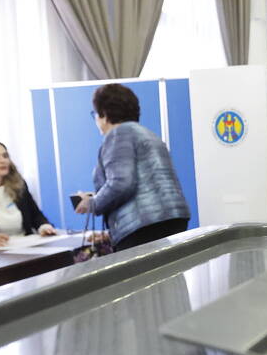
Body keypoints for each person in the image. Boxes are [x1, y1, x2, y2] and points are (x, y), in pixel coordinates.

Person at [74, 84, 190, 251]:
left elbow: (121, 182)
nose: (97, 120)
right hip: (173, 219)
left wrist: (92, 203)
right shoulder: (148, 134)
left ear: (105, 114)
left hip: (143, 225)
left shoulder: (117, 135)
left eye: (96, 114)